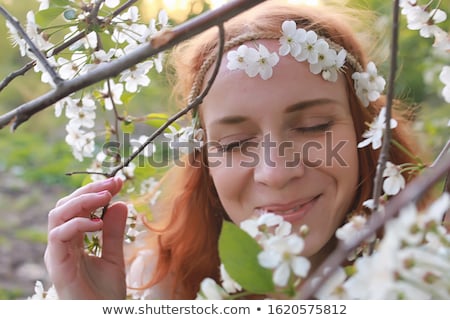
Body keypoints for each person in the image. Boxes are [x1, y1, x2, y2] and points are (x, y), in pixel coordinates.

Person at [44, 1, 431, 299]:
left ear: (367, 128)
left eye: (313, 128)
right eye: (234, 144)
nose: (276, 172)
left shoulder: (433, 272)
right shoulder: (155, 288)